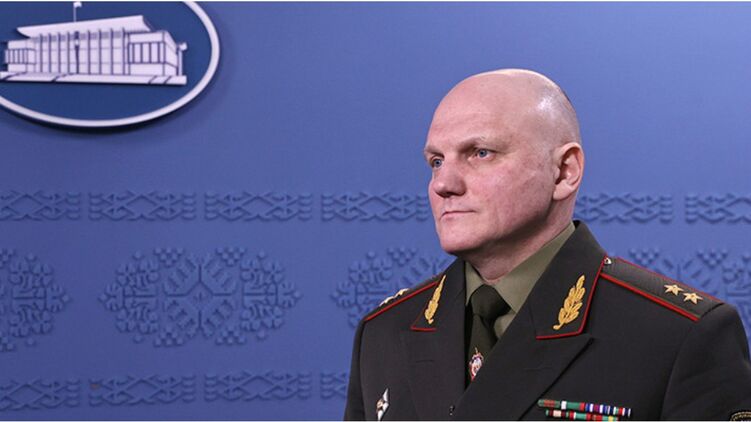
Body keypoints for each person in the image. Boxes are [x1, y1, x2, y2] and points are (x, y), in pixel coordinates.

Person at [344, 69, 751, 420]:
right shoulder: (384, 332)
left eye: (480, 153)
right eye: (436, 161)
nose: (443, 184)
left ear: (563, 172)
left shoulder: (679, 336)